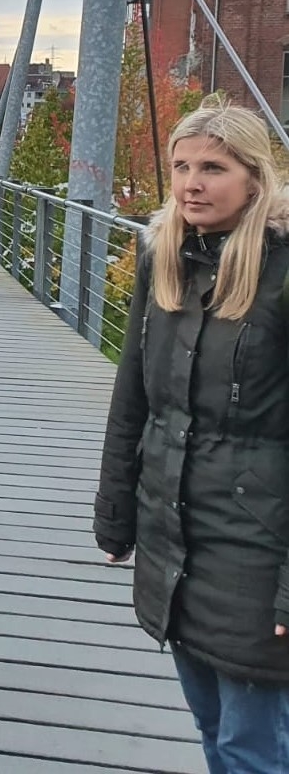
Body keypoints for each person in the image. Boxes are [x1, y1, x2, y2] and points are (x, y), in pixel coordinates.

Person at [95, 98, 289, 773]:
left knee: (250, 745)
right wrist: (116, 514)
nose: (190, 183)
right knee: (211, 726)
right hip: (174, 530)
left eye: (211, 167)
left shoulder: (281, 271)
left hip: (258, 548)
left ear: (254, 179)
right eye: (179, 166)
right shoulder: (165, 254)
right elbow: (134, 398)